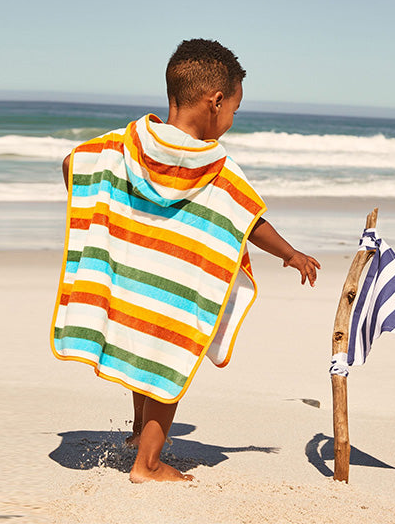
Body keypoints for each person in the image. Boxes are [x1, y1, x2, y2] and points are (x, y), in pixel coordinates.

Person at [53, 39, 320, 483]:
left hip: (131, 281)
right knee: (168, 367)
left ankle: (138, 433)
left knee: (143, 359)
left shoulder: (128, 144)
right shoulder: (215, 167)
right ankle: (148, 465)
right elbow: (247, 219)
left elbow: (72, 164)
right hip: (173, 291)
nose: (232, 120)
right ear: (216, 101)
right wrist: (291, 254)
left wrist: (114, 214)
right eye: (234, 109)